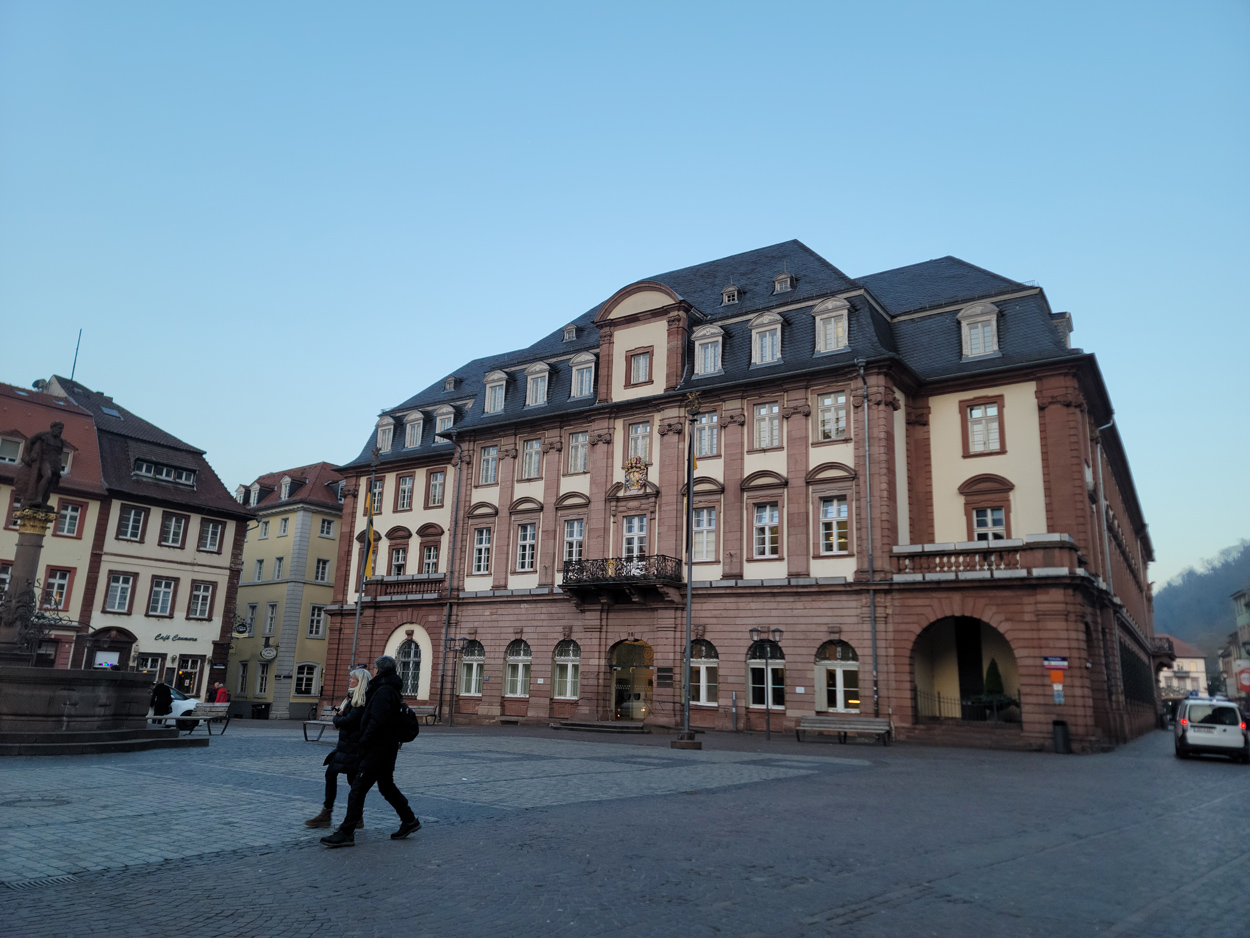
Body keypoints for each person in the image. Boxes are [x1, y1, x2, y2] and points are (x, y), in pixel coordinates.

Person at [321, 656, 420, 848]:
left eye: (375, 668)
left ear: (378, 670)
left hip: (377, 749)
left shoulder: (383, 691)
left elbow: (377, 721)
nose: (373, 671)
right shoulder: (390, 688)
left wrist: (364, 742)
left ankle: (346, 832)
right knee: (386, 786)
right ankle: (409, 820)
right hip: (387, 748)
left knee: (357, 789)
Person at [305, 668, 370, 830]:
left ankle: (348, 816)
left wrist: (337, 718)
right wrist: (340, 716)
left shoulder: (361, 700)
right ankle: (331, 813)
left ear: (360, 682)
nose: (350, 680)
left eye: (353, 679)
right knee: (333, 774)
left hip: (353, 747)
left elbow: (349, 721)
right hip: (346, 746)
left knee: (351, 781)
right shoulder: (352, 698)